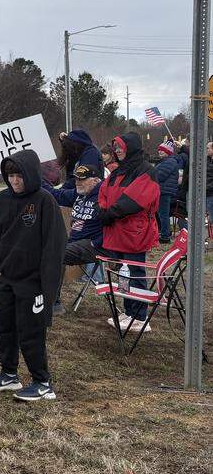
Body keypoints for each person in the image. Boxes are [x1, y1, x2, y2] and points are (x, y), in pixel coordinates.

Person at [0, 150, 66, 401]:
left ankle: (42, 381)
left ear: (31, 174)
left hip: (33, 282)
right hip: (8, 278)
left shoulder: (44, 201)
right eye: (11, 175)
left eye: (20, 175)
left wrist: (49, 292)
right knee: (4, 327)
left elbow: (54, 248)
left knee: (30, 330)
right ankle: (9, 375)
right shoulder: (3, 200)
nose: (15, 181)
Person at [96, 133, 160, 333]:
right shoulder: (118, 171)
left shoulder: (146, 171)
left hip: (134, 232)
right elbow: (104, 192)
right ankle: (129, 311)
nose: (117, 151)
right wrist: (103, 210)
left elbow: (135, 200)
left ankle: (140, 316)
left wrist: (110, 213)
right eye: (115, 148)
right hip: (117, 230)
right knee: (122, 272)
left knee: (135, 272)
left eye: (121, 147)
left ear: (130, 147)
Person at [43, 164, 105, 314]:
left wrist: (96, 242)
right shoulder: (78, 194)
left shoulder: (105, 196)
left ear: (96, 180)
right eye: (76, 179)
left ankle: (53, 303)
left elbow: (117, 224)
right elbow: (55, 195)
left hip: (94, 245)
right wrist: (37, 177)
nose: (78, 182)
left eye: (82, 179)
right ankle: (40, 296)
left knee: (55, 253)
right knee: (44, 247)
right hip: (75, 243)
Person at [154, 140, 181, 244]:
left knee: (163, 214)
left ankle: (165, 236)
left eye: (162, 150)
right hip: (163, 191)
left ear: (168, 152)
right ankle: (163, 232)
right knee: (161, 213)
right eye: (159, 150)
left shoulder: (169, 162)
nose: (160, 152)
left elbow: (159, 176)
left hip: (164, 191)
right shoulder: (166, 162)